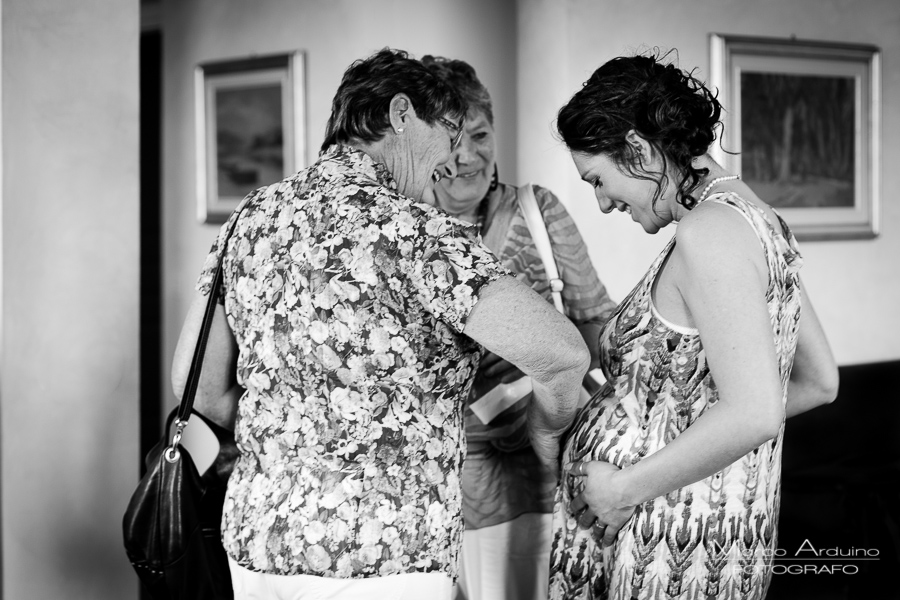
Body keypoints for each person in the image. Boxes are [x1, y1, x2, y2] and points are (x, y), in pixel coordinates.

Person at [170, 48, 590, 600]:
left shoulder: (250, 217)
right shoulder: (419, 234)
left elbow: (193, 382)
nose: (454, 156)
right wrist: (545, 429)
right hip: (387, 554)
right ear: (400, 114)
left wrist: (294, 428)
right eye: (449, 132)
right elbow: (561, 353)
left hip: (258, 544)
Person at [547, 52, 839, 600]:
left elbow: (754, 412)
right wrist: (669, 427)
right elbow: (819, 382)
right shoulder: (754, 216)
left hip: (673, 547)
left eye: (599, 180)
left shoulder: (709, 233)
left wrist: (626, 484)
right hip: (704, 527)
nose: (604, 203)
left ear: (636, 149)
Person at [421, 55, 617, 600]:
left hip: (550, 459)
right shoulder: (407, 232)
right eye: (450, 142)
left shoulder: (539, 212)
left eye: (480, 135)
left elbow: (596, 321)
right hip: (459, 478)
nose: (466, 157)